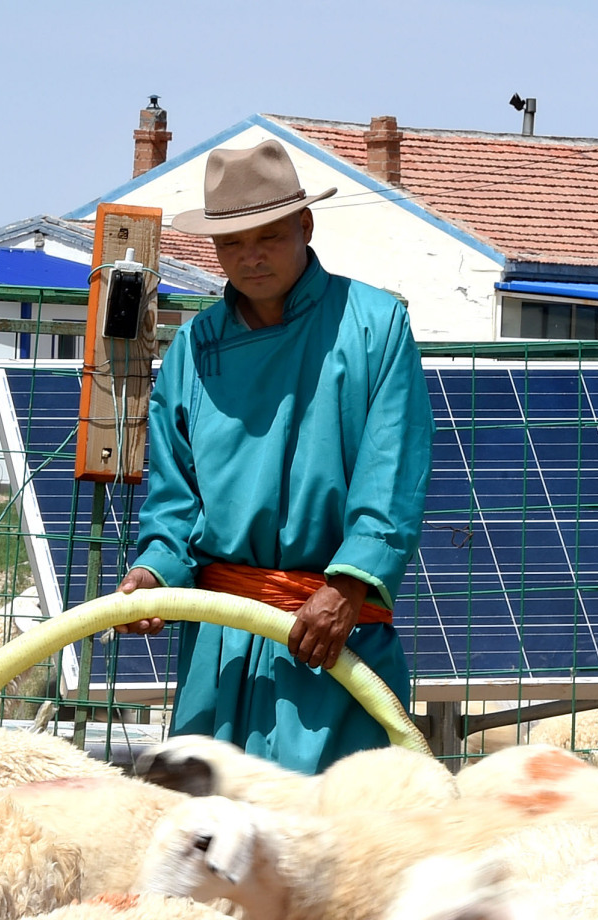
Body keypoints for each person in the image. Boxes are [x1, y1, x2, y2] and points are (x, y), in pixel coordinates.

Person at [115, 138, 432, 774]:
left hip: (335, 641)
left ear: (304, 225)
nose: (250, 257)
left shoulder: (375, 325)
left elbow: (391, 474)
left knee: (341, 849)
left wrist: (346, 587)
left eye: (267, 235)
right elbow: (173, 503)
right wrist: (153, 573)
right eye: (231, 242)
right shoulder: (195, 348)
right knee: (207, 846)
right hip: (221, 647)